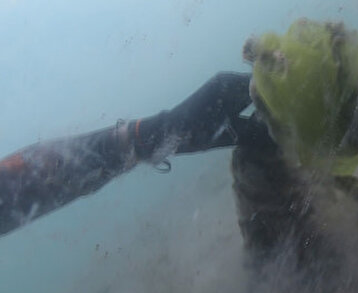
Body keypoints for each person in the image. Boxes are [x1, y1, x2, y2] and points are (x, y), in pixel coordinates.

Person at [0, 72, 269, 237]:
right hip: (49, 171)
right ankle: (266, 96)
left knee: (145, 140)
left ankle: (258, 124)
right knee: (147, 138)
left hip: (57, 172)